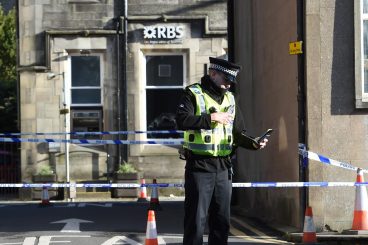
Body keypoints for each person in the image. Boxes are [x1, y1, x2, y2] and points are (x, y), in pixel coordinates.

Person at [176, 57, 268, 245]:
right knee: (196, 222)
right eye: (225, 80)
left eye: (231, 81)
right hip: (199, 167)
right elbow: (182, 120)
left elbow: (237, 132)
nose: (228, 85)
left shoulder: (230, 99)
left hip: (224, 168)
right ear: (213, 74)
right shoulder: (193, 93)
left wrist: (254, 143)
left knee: (221, 222)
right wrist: (211, 118)